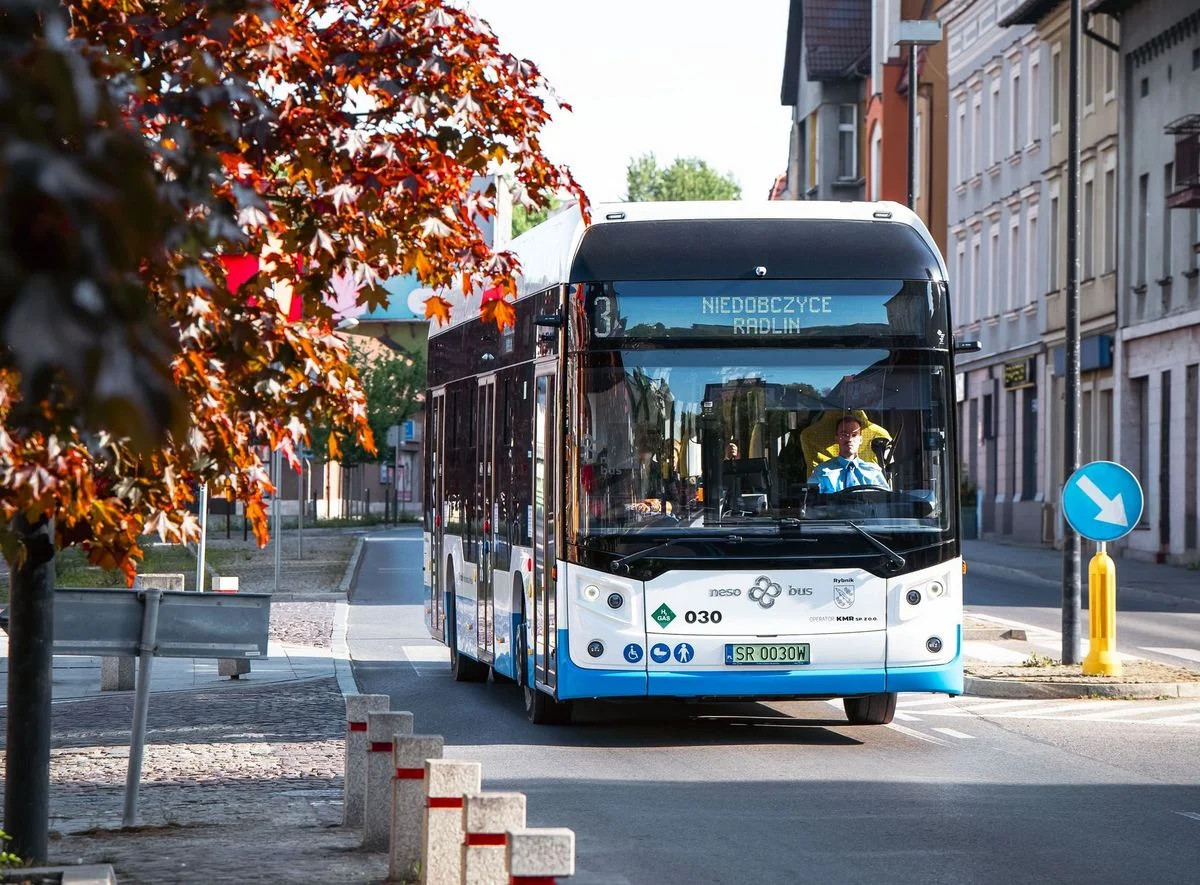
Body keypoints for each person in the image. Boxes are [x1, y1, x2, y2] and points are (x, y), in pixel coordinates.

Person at [808, 415, 890, 492]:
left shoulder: (873, 472)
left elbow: (887, 501)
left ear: (861, 440)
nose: (849, 439)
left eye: (854, 435)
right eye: (844, 434)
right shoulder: (821, 471)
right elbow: (809, 500)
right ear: (836, 438)